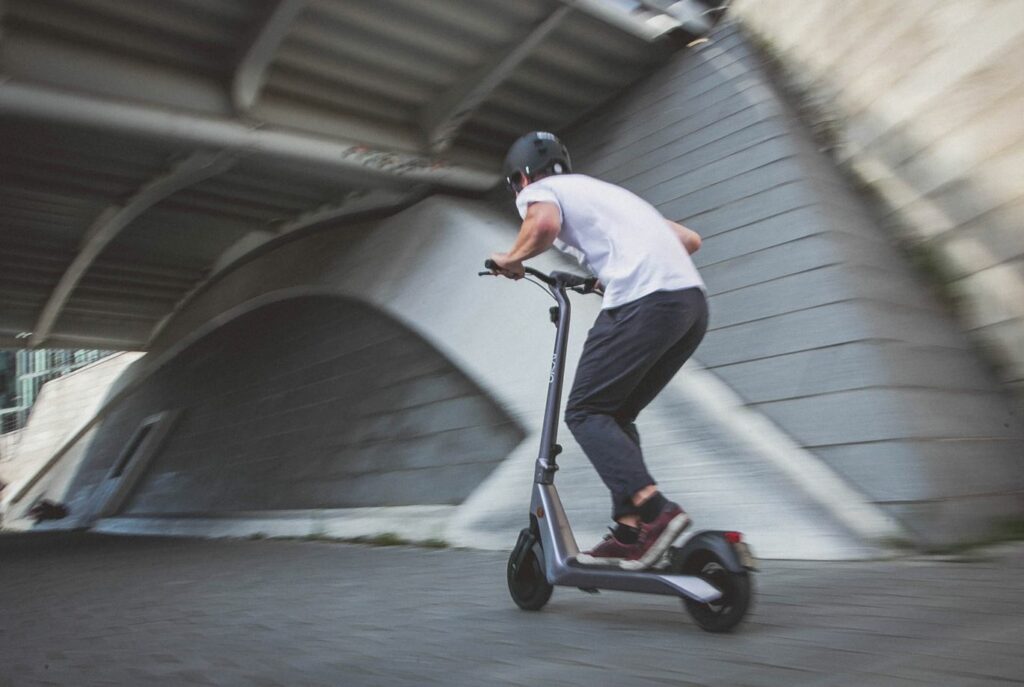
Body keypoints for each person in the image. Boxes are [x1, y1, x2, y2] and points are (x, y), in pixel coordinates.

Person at [489, 131, 708, 570]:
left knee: (585, 412)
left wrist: (511, 258)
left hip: (645, 302)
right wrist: (605, 276)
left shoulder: (540, 192)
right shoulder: (604, 193)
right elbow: (689, 240)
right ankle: (630, 532)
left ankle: (654, 511)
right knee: (615, 414)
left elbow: (544, 225)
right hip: (690, 307)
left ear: (521, 178)